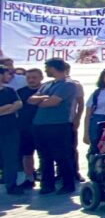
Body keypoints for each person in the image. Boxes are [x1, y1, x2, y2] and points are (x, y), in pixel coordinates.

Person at [29, 58, 80, 193]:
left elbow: (52, 102)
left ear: (53, 68)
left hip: (58, 124)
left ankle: (68, 184)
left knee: (62, 155)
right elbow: (31, 100)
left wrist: (41, 100)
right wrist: (42, 98)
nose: (45, 71)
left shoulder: (68, 84)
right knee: (44, 156)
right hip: (39, 124)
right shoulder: (47, 84)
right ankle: (47, 184)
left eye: (47, 68)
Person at [15, 67, 42, 190]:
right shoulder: (20, 92)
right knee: (27, 154)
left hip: (43, 127)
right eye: (28, 78)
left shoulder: (47, 90)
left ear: (41, 78)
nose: (31, 80)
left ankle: (47, 176)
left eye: (34, 77)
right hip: (25, 128)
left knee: (45, 154)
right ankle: (29, 178)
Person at [0, 67, 23, 194]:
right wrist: (8, 107)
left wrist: (6, 109)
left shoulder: (9, 90)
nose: (8, 76)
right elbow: (11, 106)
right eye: (6, 74)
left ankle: (11, 184)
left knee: (10, 158)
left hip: (10, 129)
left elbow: (18, 104)